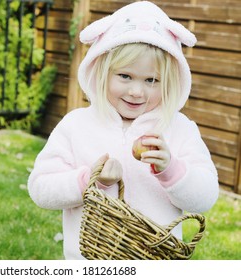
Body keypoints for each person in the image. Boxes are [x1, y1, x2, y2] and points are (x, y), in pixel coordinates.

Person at [28, 1, 219, 260]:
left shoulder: (179, 129)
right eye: (125, 76)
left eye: (151, 80)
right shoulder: (76, 125)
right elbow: (41, 188)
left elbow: (205, 197)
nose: (136, 91)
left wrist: (171, 169)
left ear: (169, 82)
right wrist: (88, 180)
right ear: (102, 72)